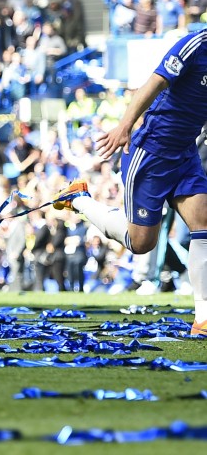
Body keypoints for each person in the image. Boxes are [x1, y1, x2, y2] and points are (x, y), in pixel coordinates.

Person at [53, 28, 207, 334]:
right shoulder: (196, 44)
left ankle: (203, 318)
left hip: (185, 153)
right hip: (151, 152)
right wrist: (124, 126)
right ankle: (79, 199)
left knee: (204, 223)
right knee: (141, 243)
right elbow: (153, 82)